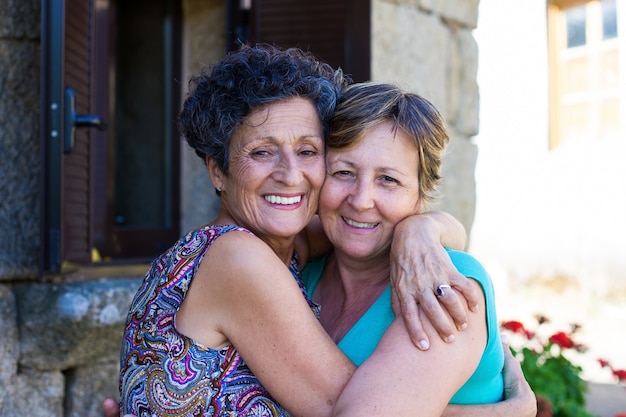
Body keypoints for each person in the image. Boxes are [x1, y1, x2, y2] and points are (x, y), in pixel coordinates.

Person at [115, 44, 535, 417]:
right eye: (262, 152)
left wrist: (423, 230)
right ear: (218, 171)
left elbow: (363, 225)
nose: (290, 174)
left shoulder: (296, 250)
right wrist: (509, 411)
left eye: (308, 151)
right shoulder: (240, 258)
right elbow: (350, 407)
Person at [301, 81, 531, 416]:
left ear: (420, 196)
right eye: (343, 172)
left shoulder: (450, 285)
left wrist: (424, 226)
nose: (361, 200)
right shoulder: (301, 271)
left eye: (388, 180)